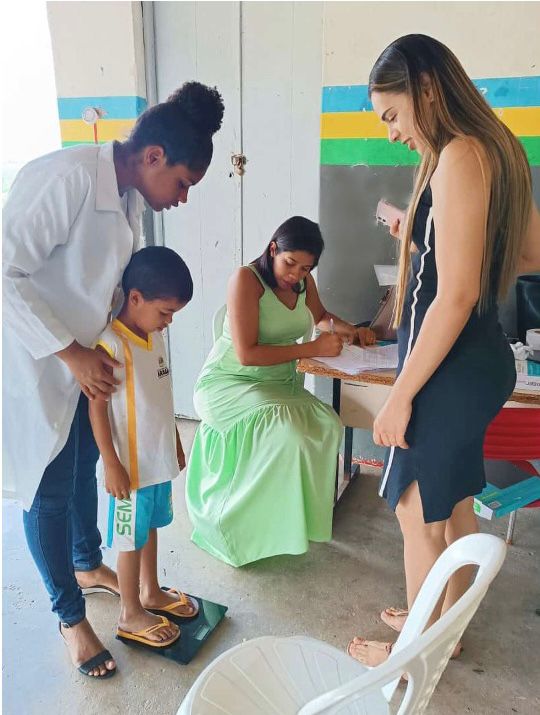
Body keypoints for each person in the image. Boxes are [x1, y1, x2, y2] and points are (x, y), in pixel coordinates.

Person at [2, 81, 224, 678]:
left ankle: (86, 563)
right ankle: (70, 618)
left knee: (81, 471)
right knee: (48, 492)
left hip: (88, 364)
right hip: (39, 363)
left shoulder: (128, 199)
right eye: (183, 183)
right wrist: (72, 353)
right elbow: (5, 272)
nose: (182, 198)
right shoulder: (67, 179)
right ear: (154, 156)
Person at [347, 34, 540, 667]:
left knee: (417, 513)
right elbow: (530, 253)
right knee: (450, 505)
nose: (392, 133)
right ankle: (444, 629)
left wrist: (399, 395)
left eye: (392, 115)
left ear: (427, 89)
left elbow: (453, 296)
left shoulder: (458, 154)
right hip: (477, 354)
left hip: (449, 363)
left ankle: (414, 658)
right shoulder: (500, 147)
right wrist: (435, 239)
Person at [185, 216, 376, 567]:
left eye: (306, 268)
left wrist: (352, 330)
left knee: (328, 425)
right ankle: (238, 528)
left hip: (278, 385)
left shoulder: (303, 282)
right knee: (288, 432)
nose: (296, 274)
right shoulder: (246, 280)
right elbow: (247, 354)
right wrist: (312, 349)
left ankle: (294, 525)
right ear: (273, 249)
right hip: (230, 382)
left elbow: (321, 316)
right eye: (290, 263)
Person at [89, 247, 197, 651]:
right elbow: (97, 408)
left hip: (157, 461)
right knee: (128, 540)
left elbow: (161, 395)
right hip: (129, 471)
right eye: (165, 312)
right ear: (135, 298)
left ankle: (150, 592)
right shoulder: (111, 345)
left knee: (149, 527)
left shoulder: (154, 337)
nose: (169, 321)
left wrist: (175, 440)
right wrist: (111, 463)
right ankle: (130, 612)